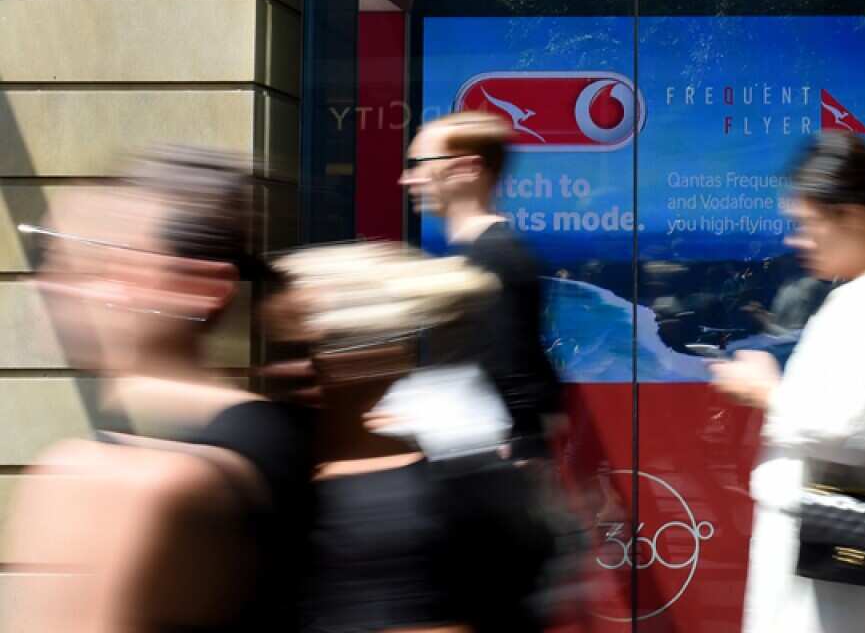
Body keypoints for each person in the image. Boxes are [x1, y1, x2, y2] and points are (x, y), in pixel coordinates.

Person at [2, 147, 313, 633]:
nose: (56, 284)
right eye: (55, 258)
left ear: (202, 287)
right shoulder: (266, 433)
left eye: (103, 264)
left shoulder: (121, 482)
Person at [710, 132, 865, 633]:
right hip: (829, 556)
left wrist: (766, 391)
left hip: (842, 566)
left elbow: (859, 427)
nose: (795, 239)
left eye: (805, 224)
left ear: (853, 215)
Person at [267, 242, 552, 633]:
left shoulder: (398, 512)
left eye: (305, 351)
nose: (283, 370)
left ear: (361, 360)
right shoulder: (309, 480)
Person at [399, 111, 563, 461]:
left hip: (492, 467)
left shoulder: (494, 256)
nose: (406, 179)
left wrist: (515, 450)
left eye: (418, 163)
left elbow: (515, 373)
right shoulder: (488, 251)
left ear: (466, 168)